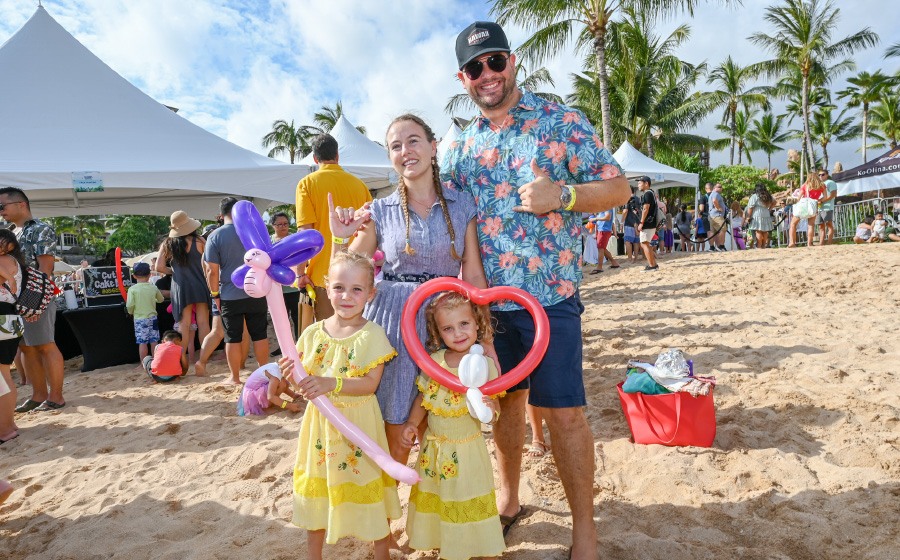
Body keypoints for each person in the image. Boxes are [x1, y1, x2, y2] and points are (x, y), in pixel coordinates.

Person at [442, 21, 630, 560]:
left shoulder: (561, 119)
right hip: (489, 308)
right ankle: (508, 500)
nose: (487, 76)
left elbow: (617, 186)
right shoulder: (461, 144)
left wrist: (563, 195)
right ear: (463, 78)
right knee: (504, 409)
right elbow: (438, 207)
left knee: (566, 413)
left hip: (552, 299)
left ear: (512, 60)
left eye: (494, 61)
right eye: (475, 68)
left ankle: (584, 533)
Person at [328, 113, 490, 468]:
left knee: (443, 419)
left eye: (413, 141)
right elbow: (344, 275)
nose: (406, 151)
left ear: (433, 147)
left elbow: (474, 273)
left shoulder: (463, 204)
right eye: (395, 146)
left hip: (445, 319)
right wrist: (340, 237)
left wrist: (486, 338)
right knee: (396, 422)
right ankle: (388, 517)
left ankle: (428, 514)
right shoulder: (379, 210)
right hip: (392, 321)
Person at [284, 252, 401, 560]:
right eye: (338, 287)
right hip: (321, 427)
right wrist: (291, 377)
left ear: (371, 294)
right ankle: (314, 555)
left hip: (360, 424)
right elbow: (303, 384)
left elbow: (369, 384)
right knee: (319, 489)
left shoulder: (372, 335)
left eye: (357, 289)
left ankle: (381, 554)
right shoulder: (311, 334)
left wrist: (331, 383)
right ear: (326, 288)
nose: (346, 296)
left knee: (367, 485)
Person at [401, 291, 505, 560]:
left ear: (477, 324)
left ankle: (483, 547)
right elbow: (424, 398)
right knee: (439, 497)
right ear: (438, 333)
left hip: (467, 450)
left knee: (468, 496)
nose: (458, 333)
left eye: (464, 324)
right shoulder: (434, 363)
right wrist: (412, 424)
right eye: (448, 328)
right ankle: (447, 544)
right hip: (435, 449)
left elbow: (494, 410)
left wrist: (490, 410)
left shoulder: (484, 365)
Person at [294, 133, 373, 331]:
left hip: (325, 276)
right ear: (337, 156)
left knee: (330, 339)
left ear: (314, 158)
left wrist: (299, 274)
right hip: (359, 276)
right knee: (355, 337)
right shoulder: (359, 185)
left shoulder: (307, 184)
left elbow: (305, 234)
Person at [0, 187, 66, 413]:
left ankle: (56, 397)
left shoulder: (41, 229)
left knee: (46, 345)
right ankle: (38, 395)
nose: (0, 211)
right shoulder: (9, 231)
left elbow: (45, 269)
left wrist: (32, 302)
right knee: (26, 348)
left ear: (21, 204)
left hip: (35, 297)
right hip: (12, 300)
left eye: (3, 206)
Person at [203, 197, 269, 384]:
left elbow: (211, 271)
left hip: (230, 295)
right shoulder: (252, 232)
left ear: (221, 214)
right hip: (256, 291)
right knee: (260, 335)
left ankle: (235, 377)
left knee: (232, 338)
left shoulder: (215, 236)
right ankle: (264, 373)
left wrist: (214, 294)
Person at [155, 210, 212, 363]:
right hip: (200, 284)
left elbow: (159, 267)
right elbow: (208, 264)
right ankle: (204, 359)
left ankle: (182, 360)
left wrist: (174, 272)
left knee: (183, 324)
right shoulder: (200, 241)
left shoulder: (167, 243)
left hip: (180, 287)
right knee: (203, 322)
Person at [0, 229, 26, 443]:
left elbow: (7, 278)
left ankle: (6, 428)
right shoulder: (15, 261)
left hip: (1, 315)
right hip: (11, 316)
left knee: (2, 377)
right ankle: (8, 424)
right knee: (5, 374)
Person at [269, 211, 300, 357]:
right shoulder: (268, 241)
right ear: (273, 225)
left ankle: (299, 344)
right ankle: (283, 346)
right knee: (281, 320)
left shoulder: (294, 238)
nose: (283, 227)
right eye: (280, 224)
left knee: (297, 317)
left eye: (286, 223)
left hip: (294, 286)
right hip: (276, 287)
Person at [125, 262, 164, 365]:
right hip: (153, 317)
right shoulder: (153, 287)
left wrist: (130, 312)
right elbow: (161, 299)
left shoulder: (132, 289)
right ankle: (156, 362)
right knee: (154, 341)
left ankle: (143, 364)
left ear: (134, 276)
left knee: (142, 342)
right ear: (150, 274)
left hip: (139, 319)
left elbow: (129, 305)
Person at [237, 362, 302, 415]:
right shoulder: (275, 375)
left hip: (254, 391)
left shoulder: (278, 368)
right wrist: (289, 406)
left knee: (283, 382)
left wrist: (292, 394)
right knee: (282, 384)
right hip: (252, 397)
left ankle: (270, 403)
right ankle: (264, 407)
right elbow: (271, 397)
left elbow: (282, 385)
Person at [788, 172, 826, 248]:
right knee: (811, 225)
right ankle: (809, 243)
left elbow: (799, 197)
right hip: (813, 207)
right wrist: (819, 200)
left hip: (803, 207)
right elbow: (825, 197)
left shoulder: (805, 186)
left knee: (793, 224)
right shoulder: (822, 186)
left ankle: (792, 242)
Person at [636, 176, 659, 271]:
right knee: (646, 244)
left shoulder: (647, 194)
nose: (638, 185)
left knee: (644, 244)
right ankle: (653, 264)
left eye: (640, 183)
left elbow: (646, 208)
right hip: (651, 223)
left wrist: (641, 222)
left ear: (646, 184)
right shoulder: (651, 193)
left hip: (648, 223)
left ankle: (652, 265)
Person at [588, 209, 619, 273]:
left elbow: (608, 218)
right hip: (602, 230)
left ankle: (599, 267)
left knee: (601, 248)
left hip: (604, 230)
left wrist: (595, 219)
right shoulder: (602, 208)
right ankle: (614, 263)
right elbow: (598, 223)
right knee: (602, 248)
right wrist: (596, 233)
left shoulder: (607, 207)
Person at [746, 183, 776, 249]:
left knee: (758, 230)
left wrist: (748, 216)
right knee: (765, 231)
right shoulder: (768, 196)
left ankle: (759, 245)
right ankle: (763, 245)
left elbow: (750, 207)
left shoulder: (755, 196)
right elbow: (774, 202)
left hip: (757, 214)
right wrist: (770, 209)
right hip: (766, 213)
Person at [815, 169, 838, 246]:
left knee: (829, 225)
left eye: (823, 174)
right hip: (819, 207)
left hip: (827, 207)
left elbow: (833, 195)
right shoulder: (819, 184)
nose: (821, 176)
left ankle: (829, 242)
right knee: (820, 226)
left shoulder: (830, 182)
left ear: (827, 175)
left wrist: (822, 201)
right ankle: (821, 243)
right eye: (819, 175)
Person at [621, 189, 642, 262]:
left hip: (629, 222)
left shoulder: (628, 199)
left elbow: (625, 211)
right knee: (636, 241)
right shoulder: (638, 199)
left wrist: (621, 222)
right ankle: (635, 258)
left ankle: (629, 259)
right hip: (637, 222)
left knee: (628, 241)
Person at [707, 183, 728, 251]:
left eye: (721, 187)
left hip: (711, 215)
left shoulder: (711, 194)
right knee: (723, 229)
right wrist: (718, 208)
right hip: (717, 215)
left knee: (712, 232)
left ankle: (712, 247)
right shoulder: (716, 193)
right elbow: (714, 200)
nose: (721, 188)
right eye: (719, 187)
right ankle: (721, 246)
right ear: (714, 188)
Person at [696, 183, 711, 250]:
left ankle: (711, 247)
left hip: (706, 217)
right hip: (715, 216)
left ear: (706, 188)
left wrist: (700, 213)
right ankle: (718, 246)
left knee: (709, 232)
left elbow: (701, 209)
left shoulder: (704, 197)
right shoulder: (716, 196)